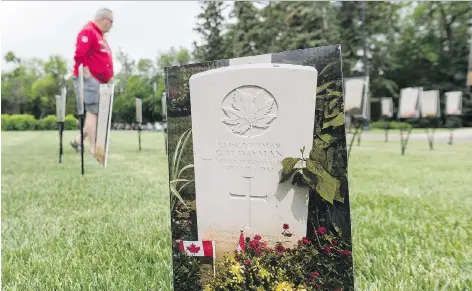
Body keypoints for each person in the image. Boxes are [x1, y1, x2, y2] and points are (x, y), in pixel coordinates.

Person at [70, 8, 114, 155]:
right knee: (92, 113)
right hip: (89, 79)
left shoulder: (99, 35)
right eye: (110, 21)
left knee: (95, 113)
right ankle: (94, 148)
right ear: (103, 19)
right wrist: (87, 73)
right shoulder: (88, 31)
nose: (111, 25)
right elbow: (79, 54)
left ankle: (78, 140)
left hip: (99, 81)